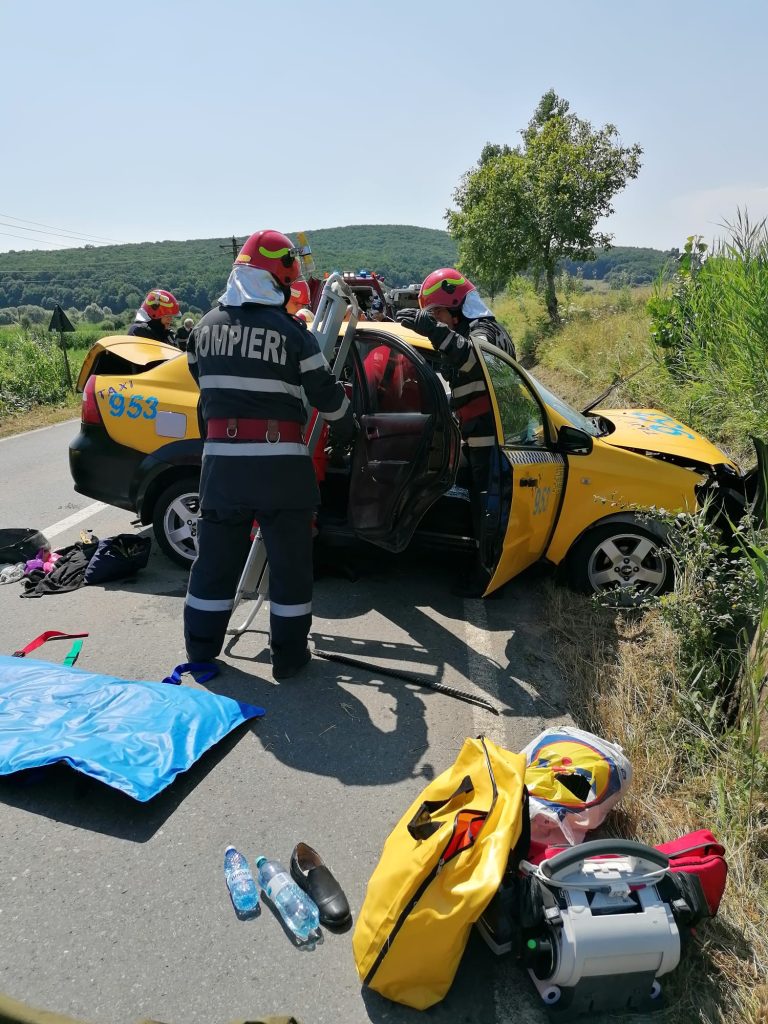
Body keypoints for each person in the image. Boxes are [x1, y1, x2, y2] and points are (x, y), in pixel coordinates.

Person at [183, 229, 357, 679]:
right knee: (290, 569)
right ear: (277, 281)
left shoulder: (202, 330)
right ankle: (289, 659)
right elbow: (325, 394)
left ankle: (201, 653)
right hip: (281, 469)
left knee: (214, 564)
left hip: (221, 467)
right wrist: (347, 425)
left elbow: (205, 391)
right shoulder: (292, 335)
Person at [397, 269, 516, 597]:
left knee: (488, 511)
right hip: (486, 437)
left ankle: (485, 581)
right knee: (484, 508)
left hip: (492, 440)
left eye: (437, 313)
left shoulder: (483, 332)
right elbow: (468, 380)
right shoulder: (480, 329)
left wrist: (429, 328)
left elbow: (475, 361)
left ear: (455, 307)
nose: (437, 320)